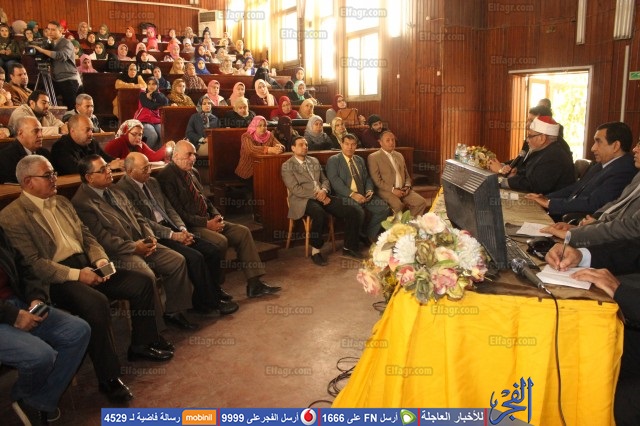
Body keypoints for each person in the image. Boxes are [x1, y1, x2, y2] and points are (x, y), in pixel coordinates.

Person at [0, 155, 173, 405]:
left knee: (141, 282)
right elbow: (34, 264)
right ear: (28, 182)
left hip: (86, 263)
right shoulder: (12, 216)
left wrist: (100, 259)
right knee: (96, 303)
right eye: (48, 175)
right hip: (57, 278)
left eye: (54, 173)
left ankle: (141, 344)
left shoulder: (62, 201)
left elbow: (87, 236)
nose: (54, 178)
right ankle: (109, 377)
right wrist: (78, 275)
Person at [72, 154, 198, 331]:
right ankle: (155, 329)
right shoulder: (82, 203)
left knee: (177, 261)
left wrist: (150, 238)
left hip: (141, 242)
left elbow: (139, 216)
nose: (109, 171)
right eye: (102, 170)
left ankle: (174, 312)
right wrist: (135, 247)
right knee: (147, 276)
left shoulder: (114, 189)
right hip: (118, 253)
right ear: (89, 177)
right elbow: (103, 240)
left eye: (108, 166)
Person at [117, 152, 239, 316]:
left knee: (212, 250)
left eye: (149, 166)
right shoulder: (123, 190)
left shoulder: (152, 182)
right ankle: (209, 303)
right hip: (156, 235)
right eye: (144, 169)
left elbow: (169, 208)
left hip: (173, 227)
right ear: (130, 171)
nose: (149, 171)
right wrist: (172, 235)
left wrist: (182, 229)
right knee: (195, 257)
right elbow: (143, 222)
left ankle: (210, 293)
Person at [156, 140, 282, 298]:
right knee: (220, 241)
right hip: (191, 226)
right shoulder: (166, 177)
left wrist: (216, 215)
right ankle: (216, 287)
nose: (193, 158)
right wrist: (206, 224)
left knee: (243, 232)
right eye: (189, 155)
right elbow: (177, 213)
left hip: (208, 219)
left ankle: (255, 284)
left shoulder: (192, 172)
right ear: (176, 156)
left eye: (194, 154)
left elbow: (204, 200)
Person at [0, 226, 90, 425]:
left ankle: (37, 401)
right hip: (6, 313)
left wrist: (35, 297)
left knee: (77, 330)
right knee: (40, 356)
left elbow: (23, 267)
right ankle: (26, 396)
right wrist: (13, 316)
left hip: (16, 302)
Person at [525, 121, 637, 221]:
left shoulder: (624, 170)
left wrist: (550, 204)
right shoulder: (601, 164)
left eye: (598, 142)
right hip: (564, 212)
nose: (593, 148)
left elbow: (594, 204)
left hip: (579, 222)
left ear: (616, 146)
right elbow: (575, 188)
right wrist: (546, 198)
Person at [282, 136, 365, 265]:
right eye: (301, 145)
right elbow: (295, 189)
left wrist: (324, 191)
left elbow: (325, 180)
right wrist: (318, 195)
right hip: (303, 200)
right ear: (293, 148)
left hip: (323, 195)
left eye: (306, 145)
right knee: (319, 214)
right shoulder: (287, 166)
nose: (305, 147)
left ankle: (349, 248)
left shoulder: (314, 161)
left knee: (352, 210)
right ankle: (316, 251)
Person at [541, 141, 640, 249]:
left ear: (616, 146)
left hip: (622, 247)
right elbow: (617, 205)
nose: (635, 149)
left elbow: (632, 226)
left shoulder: (625, 168)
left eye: (598, 142)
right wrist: (590, 225)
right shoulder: (636, 175)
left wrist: (577, 234)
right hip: (602, 231)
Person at [327, 133, 390, 244]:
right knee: (358, 212)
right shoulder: (334, 160)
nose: (350, 147)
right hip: (345, 197)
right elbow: (335, 182)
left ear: (356, 145)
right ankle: (356, 239)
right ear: (341, 144)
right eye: (347, 144)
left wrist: (369, 190)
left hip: (363, 195)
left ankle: (368, 235)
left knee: (384, 208)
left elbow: (367, 178)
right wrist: (353, 194)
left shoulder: (359, 160)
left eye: (353, 144)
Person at [498, 116, 575, 194]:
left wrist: (505, 182)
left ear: (542, 138)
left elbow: (535, 185)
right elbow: (532, 174)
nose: (527, 140)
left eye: (530, 136)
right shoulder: (543, 151)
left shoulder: (554, 156)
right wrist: (516, 174)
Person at [368, 131, 427, 217]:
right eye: (388, 140)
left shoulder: (399, 155)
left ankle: (410, 224)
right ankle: (397, 225)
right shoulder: (374, 157)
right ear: (380, 142)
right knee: (398, 206)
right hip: (386, 191)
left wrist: (407, 186)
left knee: (421, 202)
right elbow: (376, 180)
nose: (391, 142)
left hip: (403, 189)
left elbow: (406, 175)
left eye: (393, 140)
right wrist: (393, 190)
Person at [31, 21, 81, 110]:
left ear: (60, 30)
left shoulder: (66, 43)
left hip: (68, 80)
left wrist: (42, 50)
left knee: (71, 108)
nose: (50, 32)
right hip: (55, 79)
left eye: (53, 30)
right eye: (49, 29)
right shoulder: (50, 44)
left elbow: (61, 56)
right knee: (45, 99)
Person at [50, 114, 123, 175]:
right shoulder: (60, 147)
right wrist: (109, 166)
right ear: (73, 131)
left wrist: (119, 163)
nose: (91, 134)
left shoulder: (92, 143)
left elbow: (107, 158)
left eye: (91, 130)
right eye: (87, 130)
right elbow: (78, 170)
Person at [0, 117, 50, 183]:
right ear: (20, 133)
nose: (40, 135)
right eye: (36, 131)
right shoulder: (6, 157)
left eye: (41, 131)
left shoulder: (45, 153)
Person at [105, 119, 174, 162]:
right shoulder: (116, 144)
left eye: (140, 134)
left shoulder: (140, 144)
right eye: (134, 134)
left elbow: (153, 157)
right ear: (126, 133)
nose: (138, 138)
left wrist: (166, 146)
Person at [137, 76, 171, 149]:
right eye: (149, 84)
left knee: (163, 134)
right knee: (153, 135)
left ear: (157, 85)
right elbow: (149, 105)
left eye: (153, 84)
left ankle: (157, 152)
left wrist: (154, 95)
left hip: (157, 120)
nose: (151, 86)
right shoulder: (142, 94)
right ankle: (145, 152)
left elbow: (166, 102)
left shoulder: (159, 94)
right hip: (144, 120)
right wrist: (159, 104)